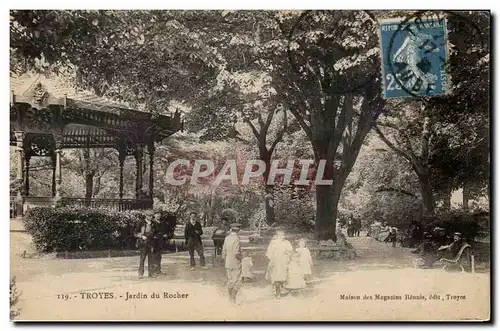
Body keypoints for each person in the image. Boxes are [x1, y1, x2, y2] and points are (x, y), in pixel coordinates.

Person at [265, 228, 293, 299]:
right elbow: (269, 252)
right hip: (276, 262)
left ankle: (286, 290)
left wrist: (288, 253)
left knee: (285, 277)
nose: (282, 237)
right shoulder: (274, 242)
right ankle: (278, 293)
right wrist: (272, 259)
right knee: (276, 277)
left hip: (284, 262)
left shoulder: (287, 242)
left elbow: (290, 251)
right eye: (280, 235)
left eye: (283, 235)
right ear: (277, 236)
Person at [222, 223, 243, 303]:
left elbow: (223, 251)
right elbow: (236, 253)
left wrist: (225, 260)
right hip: (236, 263)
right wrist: (242, 258)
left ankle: (230, 298)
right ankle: (233, 298)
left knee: (230, 280)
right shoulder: (237, 239)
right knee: (238, 281)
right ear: (239, 230)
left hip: (228, 262)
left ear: (230, 230)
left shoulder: (227, 238)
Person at [134, 210, 157, 278]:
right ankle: (140, 273)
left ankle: (151, 273)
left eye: (151, 216)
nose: (151, 217)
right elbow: (135, 233)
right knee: (142, 259)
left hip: (151, 243)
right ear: (146, 216)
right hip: (143, 243)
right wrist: (141, 236)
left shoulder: (153, 223)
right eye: (149, 216)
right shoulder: (141, 223)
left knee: (151, 259)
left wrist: (155, 236)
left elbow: (156, 232)